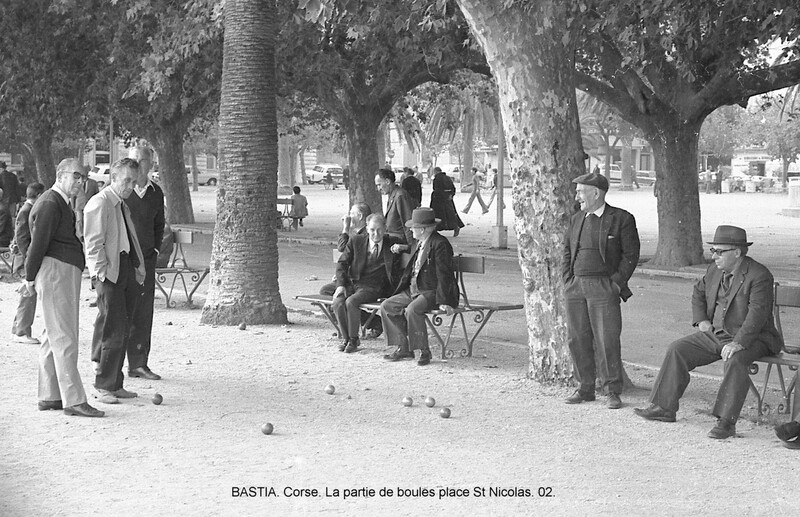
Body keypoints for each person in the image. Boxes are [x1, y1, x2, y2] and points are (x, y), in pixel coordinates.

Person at [634, 225, 782, 439]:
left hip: (755, 337)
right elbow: (698, 292)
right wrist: (702, 320)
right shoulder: (714, 271)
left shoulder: (759, 275)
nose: (714, 256)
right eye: (713, 251)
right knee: (678, 349)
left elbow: (757, 315)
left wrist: (738, 342)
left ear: (737, 252)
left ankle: (726, 422)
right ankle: (663, 408)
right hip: (720, 334)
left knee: (736, 359)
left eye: (719, 251)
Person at [23, 158, 103, 417]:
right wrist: (29, 277)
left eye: (84, 178)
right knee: (65, 335)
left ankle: (49, 395)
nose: (81, 182)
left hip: (60, 270)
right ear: (61, 175)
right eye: (77, 176)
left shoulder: (57, 202)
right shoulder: (50, 202)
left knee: (51, 333)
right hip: (56, 271)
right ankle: (74, 400)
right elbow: (38, 244)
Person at [563, 172, 640, 409]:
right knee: (577, 339)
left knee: (607, 340)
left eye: (580, 191)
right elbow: (567, 251)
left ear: (595, 193)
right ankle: (585, 388)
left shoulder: (621, 219)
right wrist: (567, 280)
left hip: (603, 288)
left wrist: (615, 284)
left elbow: (630, 255)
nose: (577, 196)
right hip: (576, 287)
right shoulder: (577, 219)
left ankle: (612, 391)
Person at [84, 158, 146, 405]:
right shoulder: (100, 203)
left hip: (124, 269)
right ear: (114, 178)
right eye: (126, 181)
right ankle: (103, 384)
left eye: (133, 181)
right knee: (112, 328)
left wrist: (137, 267)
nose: (130, 186)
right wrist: (101, 274)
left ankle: (115, 382)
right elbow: (93, 243)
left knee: (124, 327)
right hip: (110, 273)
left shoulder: (121, 204)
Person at [380, 207, 459, 366]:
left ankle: (424, 350)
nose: (410, 229)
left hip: (432, 291)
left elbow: (445, 274)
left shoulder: (440, 244)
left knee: (412, 310)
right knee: (387, 306)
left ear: (422, 229)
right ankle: (403, 347)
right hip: (414, 289)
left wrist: (445, 301)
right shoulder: (420, 242)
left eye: (413, 227)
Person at [332, 214, 402, 353]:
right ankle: (347, 339)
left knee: (351, 302)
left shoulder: (393, 243)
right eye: (372, 230)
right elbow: (342, 263)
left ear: (385, 228)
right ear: (367, 229)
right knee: (337, 302)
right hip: (353, 282)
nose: (376, 234)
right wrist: (340, 285)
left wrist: (403, 247)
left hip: (375, 286)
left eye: (380, 230)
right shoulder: (356, 241)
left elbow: (413, 247)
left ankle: (353, 339)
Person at [124, 147, 166, 381]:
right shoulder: (121, 191)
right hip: (123, 260)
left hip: (146, 261)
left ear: (151, 163)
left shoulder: (155, 193)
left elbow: (160, 224)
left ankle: (139, 363)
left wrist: (155, 250)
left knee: (143, 312)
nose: (139, 163)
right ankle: (107, 366)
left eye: (143, 160)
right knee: (117, 312)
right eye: (135, 159)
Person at [10, 182, 45, 344]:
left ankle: (18, 329)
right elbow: (22, 239)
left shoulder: (26, 209)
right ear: (38, 195)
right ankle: (21, 331)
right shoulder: (26, 211)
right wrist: (30, 261)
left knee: (27, 293)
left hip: (25, 260)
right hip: (25, 261)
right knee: (28, 295)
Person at [319, 202, 372, 296]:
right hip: (353, 278)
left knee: (326, 291)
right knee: (326, 290)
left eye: (352, 213)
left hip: (360, 281)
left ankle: (348, 311)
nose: (348, 216)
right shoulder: (358, 233)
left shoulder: (364, 235)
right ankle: (344, 311)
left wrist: (346, 227)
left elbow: (342, 247)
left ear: (360, 216)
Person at [374, 168, 413, 244]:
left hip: (399, 241)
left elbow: (408, 221)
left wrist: (410, 247)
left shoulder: (400, 195)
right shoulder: (393, 195)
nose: (378, 189)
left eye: (379, 185)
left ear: (387, 181)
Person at [429, 167, 463, 237]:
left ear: (435, 172)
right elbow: (453, 188)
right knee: (450, 214)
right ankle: (455, 226)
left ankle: (435, 228)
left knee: (437, 214)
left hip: (438, 200)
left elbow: (436, 189)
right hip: (448, 198)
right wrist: (451, 195)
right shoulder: (448, 178)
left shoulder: (436, 179)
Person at [72, 165, 100, 240]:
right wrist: (73, 206)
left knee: (88, 220)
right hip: (79, 205)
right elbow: (73, 195)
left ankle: (88, 234)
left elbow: (97, 194)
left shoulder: (93, 183)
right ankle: (81, 235)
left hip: (90, 205)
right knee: (79, 220)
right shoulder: (77, 182)